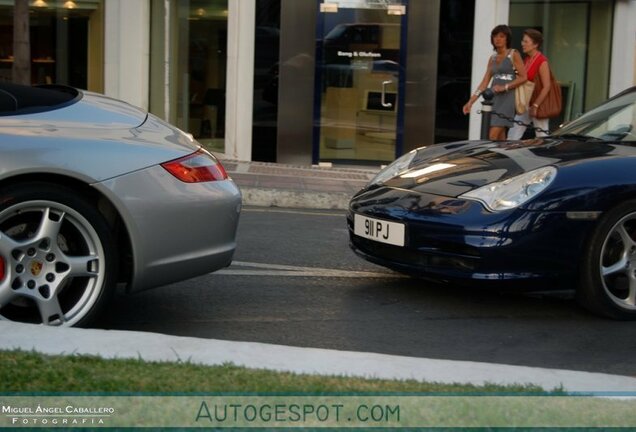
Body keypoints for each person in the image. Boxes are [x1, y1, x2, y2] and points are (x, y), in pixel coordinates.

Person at [462, 25, 526, 140]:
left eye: (502, 36)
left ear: (507, 39)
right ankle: (503, 157)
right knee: (500, 140)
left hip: (507, 101)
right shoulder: (492, 58)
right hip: (492, 101)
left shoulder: (513, 54)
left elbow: (523, 77)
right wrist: (471, 101)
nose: (498, 39)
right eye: (495, 36)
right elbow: (484, 83)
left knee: (490, 137)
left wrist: (505, 87)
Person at [508, 29, 552, 140]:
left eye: (526, 41)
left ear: (535, 44)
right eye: (523, 41)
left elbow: (547, 86)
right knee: (513, 134)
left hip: (538, 104)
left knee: (542, 136)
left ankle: (545, 157)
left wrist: (536, 105)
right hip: (525, 102)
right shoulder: (527, 59)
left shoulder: (542, 61)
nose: (522, 44)